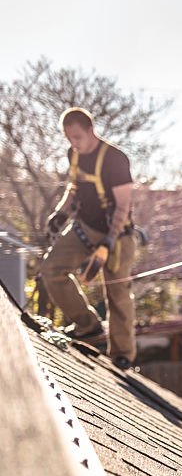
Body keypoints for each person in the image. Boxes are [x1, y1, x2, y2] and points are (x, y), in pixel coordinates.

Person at [41, 107, 137, 370]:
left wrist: (109, 241)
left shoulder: (115, 160)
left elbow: (123, 207)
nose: (74, 143)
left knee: (117, 293)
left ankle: (122, 355)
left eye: (77, 137)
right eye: (69, 138)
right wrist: (59, 214)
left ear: (91, 130)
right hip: (84, 228)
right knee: (51, 269)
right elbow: (74, 190)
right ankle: (87, 326)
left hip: (118, 235)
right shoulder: (74, 154)